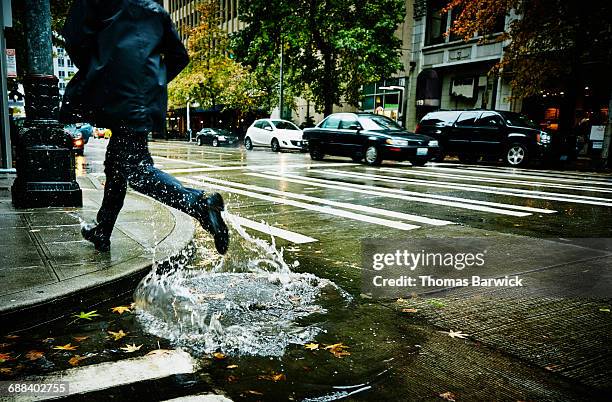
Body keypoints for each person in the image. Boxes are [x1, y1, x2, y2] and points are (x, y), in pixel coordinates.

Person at [60, 0, 229, 254]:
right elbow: (179, 56)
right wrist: (151, 82)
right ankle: (103, 231)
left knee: (137, 171)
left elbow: (75, 42)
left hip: (116, 93)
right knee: (117, 166)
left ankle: (199, 204)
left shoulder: (95, 3)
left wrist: (102, 70)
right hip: (140, 98)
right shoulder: (154, 10)